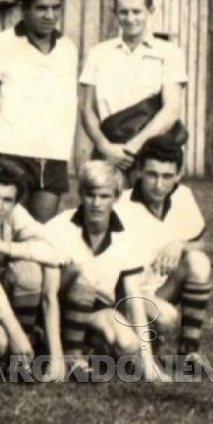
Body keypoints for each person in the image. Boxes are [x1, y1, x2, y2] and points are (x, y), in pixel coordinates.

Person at [41, 161, 166, 381]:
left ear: (116, 197)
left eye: (104, 196)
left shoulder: (124, 236)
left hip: (96, 309)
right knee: (86, 271)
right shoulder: (58, 227)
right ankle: (65, 354)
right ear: (80, 194)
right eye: (91, 195)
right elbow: (47, 295)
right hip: (57, 304)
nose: (97, 203)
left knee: (128, 344)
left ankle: (87, 346)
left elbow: (134, 297)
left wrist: (149, 362)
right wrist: (56, 358)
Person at [0, 0, 78, 223]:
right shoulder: (0, 45)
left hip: (53, 155)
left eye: (55, 8)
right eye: (41, 8)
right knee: (3, 229)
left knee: (40, 234)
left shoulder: (68, 48)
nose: (50, 15)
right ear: (23, 9)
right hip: (10, 152)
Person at [0, 160, 69, 359]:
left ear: (15, 202)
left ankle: (25, 345)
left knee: (29, 270)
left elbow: (56, 253)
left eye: (7, 200)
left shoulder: (15, 213)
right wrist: (14, 331)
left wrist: (0, 246)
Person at [116, 136, 211, 367]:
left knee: (198, 262)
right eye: (152, 174)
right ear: (139, 171)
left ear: (178, 175)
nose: (159, 185)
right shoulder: (121, 206)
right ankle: (133, 340)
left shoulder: (183, 196)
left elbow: (206, 243)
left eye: (167, 176)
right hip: (127, 297)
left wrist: (181, 245)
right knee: (166, 317)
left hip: (162, 290)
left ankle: (189, 352)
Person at [79, 0, 188, 172]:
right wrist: (105, 148)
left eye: (137, 11)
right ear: (115, 13)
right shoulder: (98, 53)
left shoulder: (170, 53)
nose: (130, 19)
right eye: (123, 12)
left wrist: (133, 147)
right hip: (109, 151)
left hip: (153, 154)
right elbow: (87, 109)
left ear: (150, 11)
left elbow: (171, 109)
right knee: (101, 201)